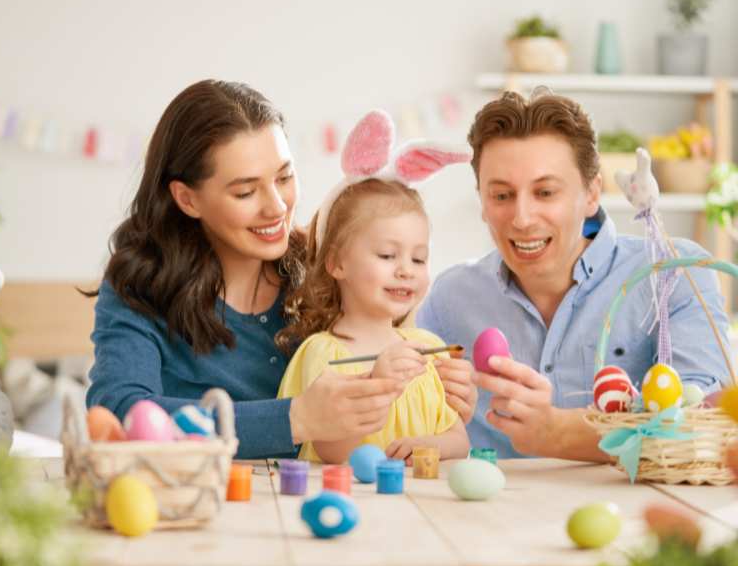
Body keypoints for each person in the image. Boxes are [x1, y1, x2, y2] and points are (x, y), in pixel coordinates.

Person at [85, 81, 476, 459]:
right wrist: (294, 419)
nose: (276, 207)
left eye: (285, 177)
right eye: (245, 191)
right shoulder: (139, 287)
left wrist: (440, 400)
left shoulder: (325, 269)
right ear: (187, 199)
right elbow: (120, 414)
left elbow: (386, 363)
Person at [417, 89, 731, 461]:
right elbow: (407, 417)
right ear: (482, 201)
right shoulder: (450, 298)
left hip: (630, 517)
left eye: (545, 192)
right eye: (501, 196)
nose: (521, 218)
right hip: (489, 515)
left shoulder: (672, 274)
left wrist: (560, 432)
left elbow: (706, 421)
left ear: (592, 193)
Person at [276, 110, 472, 464]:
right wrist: (378, 384)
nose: (405, 271)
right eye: (386, 255)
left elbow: (459, 440)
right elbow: (333, 452)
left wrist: (430, 445)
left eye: (418, 259)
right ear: (337, 263)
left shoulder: (428, 350)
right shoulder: (324, 355)